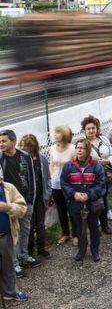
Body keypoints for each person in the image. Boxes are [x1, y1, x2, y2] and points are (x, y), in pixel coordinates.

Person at [0, 129, 39, 278]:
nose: (1, 144)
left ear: (13, 142)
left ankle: (24, 257)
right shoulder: (0, 158)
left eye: (4, 141)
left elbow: (31, 178)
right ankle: (14, 264)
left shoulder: (25, 156)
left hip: (25, 202)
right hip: (9, 205)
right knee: (13, 234)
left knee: (25, 232)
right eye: (0, 141)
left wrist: (31, 200)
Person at [60, 138, 106, 262]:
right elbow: (64, 183)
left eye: (82, 148)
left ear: (88, 150)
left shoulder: (96, 165)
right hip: (75, 204)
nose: (79, 150)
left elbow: (101, 184)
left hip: (92, 204)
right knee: (79, 229)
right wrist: (73, 194)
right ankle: (81, 250)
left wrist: (89, 195)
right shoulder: (69, 166)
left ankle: (95, 251)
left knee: (94, 228)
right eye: (77, 147)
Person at [82, 115, 112, 235]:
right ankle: (94, 224)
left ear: (97, 129)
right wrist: (95, 162)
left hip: (105, 174)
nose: (91, 131)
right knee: (93, 200)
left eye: (93, 128)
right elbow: (80, 159)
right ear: (84, 130)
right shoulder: (82, 143)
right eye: (88, 129)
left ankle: (105, 224)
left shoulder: (104, 140)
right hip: (91, 176)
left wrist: (108, 161)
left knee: (105, 199)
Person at [19, 134, 51, 258]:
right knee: (29, 226)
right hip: (27, 199)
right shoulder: (20, 160)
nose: (25, 149)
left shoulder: (42, 159)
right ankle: (29, 251)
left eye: (27, 147)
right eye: (22, 147)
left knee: (41, 224)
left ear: (34, 147)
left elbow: (48, 178)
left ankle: (41, 248)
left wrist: (47, 194)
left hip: (40, 198)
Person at [0, 168, 29, 302]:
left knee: (8, 265)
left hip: (5, 234)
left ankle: (10, 293)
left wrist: (8, 207)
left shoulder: (9, 188)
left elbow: (22, 208)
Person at [49, 126, 77, 248]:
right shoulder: (52, 148)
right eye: (55, 133)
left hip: (69, 184)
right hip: (56, 184)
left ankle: (76, 234)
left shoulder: (72, 148)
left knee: (72, 210)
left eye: (58, 132)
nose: (55, 135)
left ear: (65, 134)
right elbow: (51, 164)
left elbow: (76, 165)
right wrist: (50, 177)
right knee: (61, 210)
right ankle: (65, 233)